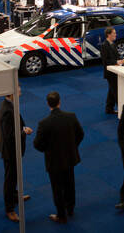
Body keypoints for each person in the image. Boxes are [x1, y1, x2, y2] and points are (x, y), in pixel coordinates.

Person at [33, 91, 84, 224]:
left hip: (54, 161)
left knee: (57, 189)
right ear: (60, 102)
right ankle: (70, 208)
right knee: (70, 184)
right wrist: (72, 147)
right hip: (69, 158)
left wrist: (47, 150)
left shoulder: (44, 123)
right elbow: (80, 134)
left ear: (47, 104)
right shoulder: (71, 117)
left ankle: (61, 215)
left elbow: (37, 144)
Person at [0, 89, 32, 222]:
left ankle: (14, 196)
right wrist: (24, 132)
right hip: (10, 151)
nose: (21, 92)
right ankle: (10, 209)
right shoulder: (7, 110)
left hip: (12, 149)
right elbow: (9, 135)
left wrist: (22, 129)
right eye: (18, 90)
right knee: (10, 179)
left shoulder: (9, 104)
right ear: (11, 93)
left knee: (14, 175)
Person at [102, 27, 124, 115]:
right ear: (109, 34)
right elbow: (105, 61)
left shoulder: (113, 44)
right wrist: (116, 62)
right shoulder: (104, 45)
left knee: (112, 91)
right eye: (114, 33)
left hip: (116, 71)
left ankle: (109, 108)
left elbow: (117, 56)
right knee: (116, 91)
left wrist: (121, 61)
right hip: (110, 73)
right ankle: (122, 110)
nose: (116, 35)